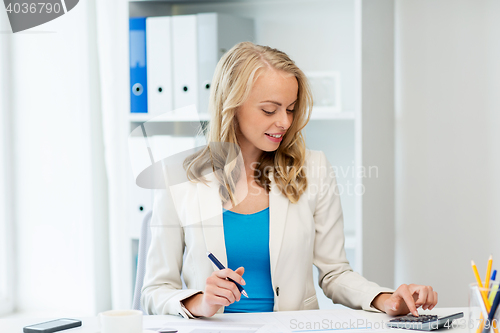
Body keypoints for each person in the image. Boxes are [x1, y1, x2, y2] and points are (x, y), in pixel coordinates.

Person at [141, 41, 438, 319]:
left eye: (291, 109)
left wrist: (385, 299)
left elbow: (335, 273)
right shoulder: (177, 177)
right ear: (231, 106)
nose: (284, 122)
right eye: (269, 109)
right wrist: (201, 301)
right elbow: (154, 291)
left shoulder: (314, 168)